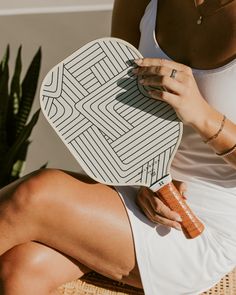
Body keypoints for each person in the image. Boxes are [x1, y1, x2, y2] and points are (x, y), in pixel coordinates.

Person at [0, 0, 235, 294]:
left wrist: (202, 114)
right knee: (21, 268)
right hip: (138, 191)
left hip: (204, 227)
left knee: (35, 195)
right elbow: (115, 109)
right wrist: (143, 181)